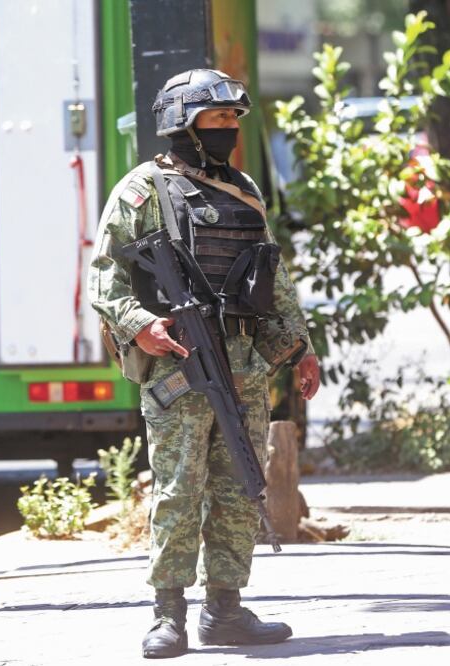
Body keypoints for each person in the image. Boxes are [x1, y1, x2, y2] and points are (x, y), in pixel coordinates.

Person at [88, 68, 321, 658]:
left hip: (243, 362)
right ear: (182, 124)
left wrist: (299, 347)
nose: (229, 129)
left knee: (240, 483)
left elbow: (272, 278)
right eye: (218, 119)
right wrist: (142, 326)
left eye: (233, 119)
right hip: (178, 364)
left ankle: (227, 609)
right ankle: (168, 614)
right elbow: (104, 274)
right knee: (177, 487)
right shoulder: (144, 189)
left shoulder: (244, 190)